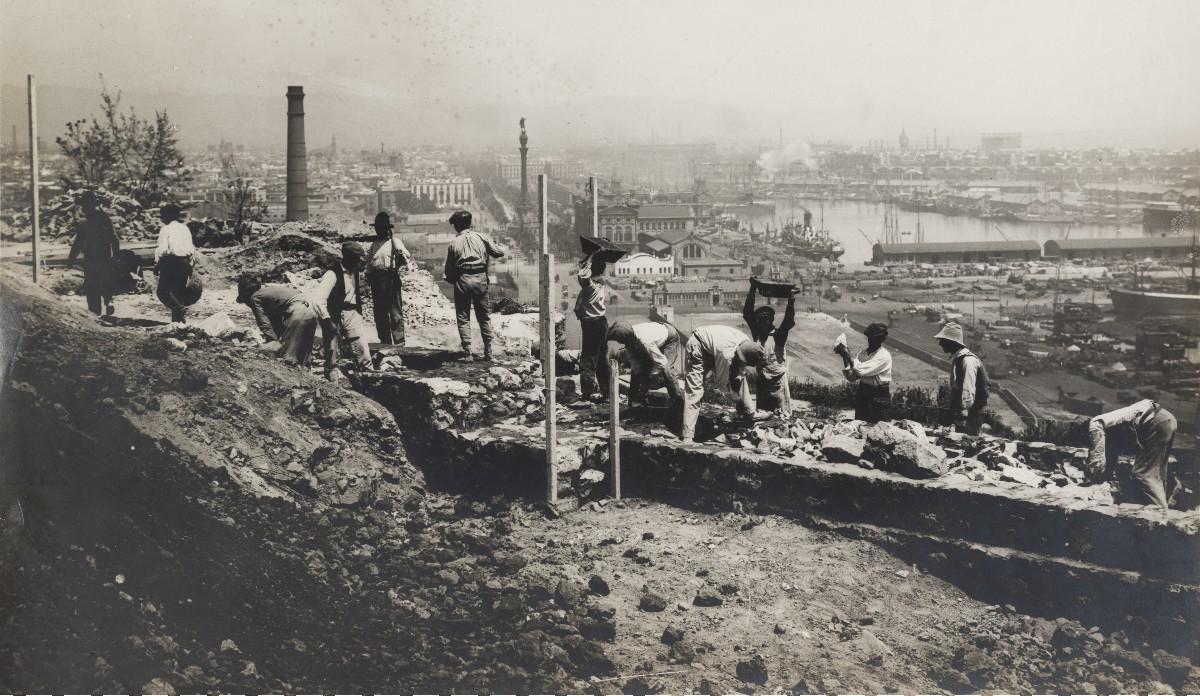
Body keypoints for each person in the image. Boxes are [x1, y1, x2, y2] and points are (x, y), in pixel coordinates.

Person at [1073, 399, 1177, 509]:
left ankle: (1160, 514)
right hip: (1166, 419)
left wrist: (1095, 464)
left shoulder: (1097, 424)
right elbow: (1110, 459)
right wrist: (1099, 481)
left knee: (1142, 473)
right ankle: (1163, 504)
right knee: (1157, 471)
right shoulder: (1111, 432)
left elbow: (1098, 456)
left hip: (1157, 422)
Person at [681, 325, 766, 442]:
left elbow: (740, 373)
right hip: (698, 346)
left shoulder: (747, 344)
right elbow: (722, 384)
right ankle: (688, 435)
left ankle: (750, 413)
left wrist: (743, 402)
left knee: (740, 377)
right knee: (694, 390)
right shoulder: (726, 353)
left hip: (715, 346)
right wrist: (736, 398)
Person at [443, 210, 505, 361]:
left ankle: (468, 352)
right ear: (469, 223)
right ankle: (488, 352)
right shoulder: (482, 237)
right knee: (483, 317)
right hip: (480, 279)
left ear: (458, 225)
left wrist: (456, 280)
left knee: (463, 317)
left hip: (462, 279)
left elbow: (449, 273)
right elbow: (499, 252)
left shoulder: (453, 243)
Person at [311, 242, 374, 377]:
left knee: (361, 345)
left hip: (351, 311)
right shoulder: (332, 274)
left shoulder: (355, 272)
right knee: (332, 349)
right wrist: (327, 321)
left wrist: (358, 313)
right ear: (349, 258)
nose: (360, 262)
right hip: (332, 312)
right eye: (357, 259)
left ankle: (368, 374)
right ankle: (332, 376)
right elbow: (318, 300)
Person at [236, 274, 324, 366]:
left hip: (298, 311)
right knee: (303, 356)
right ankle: (306, 376)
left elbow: (263, 322)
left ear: (246, 295)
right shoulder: (268, 293)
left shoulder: (254, 297)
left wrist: (273, 341)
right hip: (312, 311)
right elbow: (277, 322)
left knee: (288, 358)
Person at [743, 279, 797, 415]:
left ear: (769, 322)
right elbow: (747, 314)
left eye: (763, 322)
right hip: (762, 382)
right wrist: (752, 289)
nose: (760, 325)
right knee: (762, 416)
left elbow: (788, 321)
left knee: (781, 416)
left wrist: (791, 300)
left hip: (777, 383)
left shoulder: (778, 335)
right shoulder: (758, 335)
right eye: (758, 322)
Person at [67, 191, 120, 316]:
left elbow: (78, 243)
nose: (83, 208)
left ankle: (95, 313)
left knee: (92, 286)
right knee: (105, 280)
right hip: (105, 256)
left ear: (88, 205)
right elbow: (114, 238)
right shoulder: (105, 219)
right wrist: (116, 255)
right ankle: (108, 301)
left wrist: (71, 259)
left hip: (91, 258)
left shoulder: (85, 222)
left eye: (84, 205)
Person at [607, 320, 684, 404]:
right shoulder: (630, 339)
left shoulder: (646, 341)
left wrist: (651, 374)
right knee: (637, 370)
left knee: (667, 370)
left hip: (670, 337)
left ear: (626, 338)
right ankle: (635, 400)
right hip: (655, 336)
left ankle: (678, 401)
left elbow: (662, 362)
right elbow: (635, 363)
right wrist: (638, 370)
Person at [365, 211, 412, 346]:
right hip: (377, 281)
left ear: (387, 229)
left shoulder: (395, 242)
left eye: (381, 228)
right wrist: (367, 283)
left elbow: (406, 259)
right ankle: (385, 342)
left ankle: (399, 342)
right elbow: (369, 267)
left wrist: (399, 254)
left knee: (395, 312)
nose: (379, 230)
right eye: (377, 228)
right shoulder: (374, 245)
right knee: (380, 314)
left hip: (391, 278)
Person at [934, 321, 988, 434]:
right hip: (963, 416)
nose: (940, 344)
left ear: (951, 342)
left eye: (943, 341)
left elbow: (968, 390)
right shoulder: (958, 359)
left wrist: (963, 414)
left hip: (970, 417)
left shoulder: (968, 361)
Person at [835, 322, 893, 423]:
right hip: (863, 394)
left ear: (881, 340)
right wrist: (844, 357)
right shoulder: (863, 354)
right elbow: (851, 377)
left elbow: (860, 370)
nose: (871, 340)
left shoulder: (883, 356)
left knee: (877, 431)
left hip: (878, 397)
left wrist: (847, 354)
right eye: (870, 337)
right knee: (860, 427)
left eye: (875, 338)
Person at [153, 203, 195, 323]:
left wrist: (157, 265)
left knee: (163, 292)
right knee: (178, 292)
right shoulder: (185, 228)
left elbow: (163, 250)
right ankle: (178, 322)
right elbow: (191, 248)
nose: (162, 219)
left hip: (171, 262)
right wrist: (190, 265)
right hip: (185, 262)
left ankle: (179, 309)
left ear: (166, 216)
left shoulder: (165, 230)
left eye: (163, 216)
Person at [575, 265, 610, 400]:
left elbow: (582, 276)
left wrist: (587, 263)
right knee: (602, 358)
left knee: (588, 358)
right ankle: (607, 392)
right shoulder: (601, 285)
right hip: (601, 322)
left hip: (591, 325)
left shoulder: (591, 287)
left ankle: (587, 392)